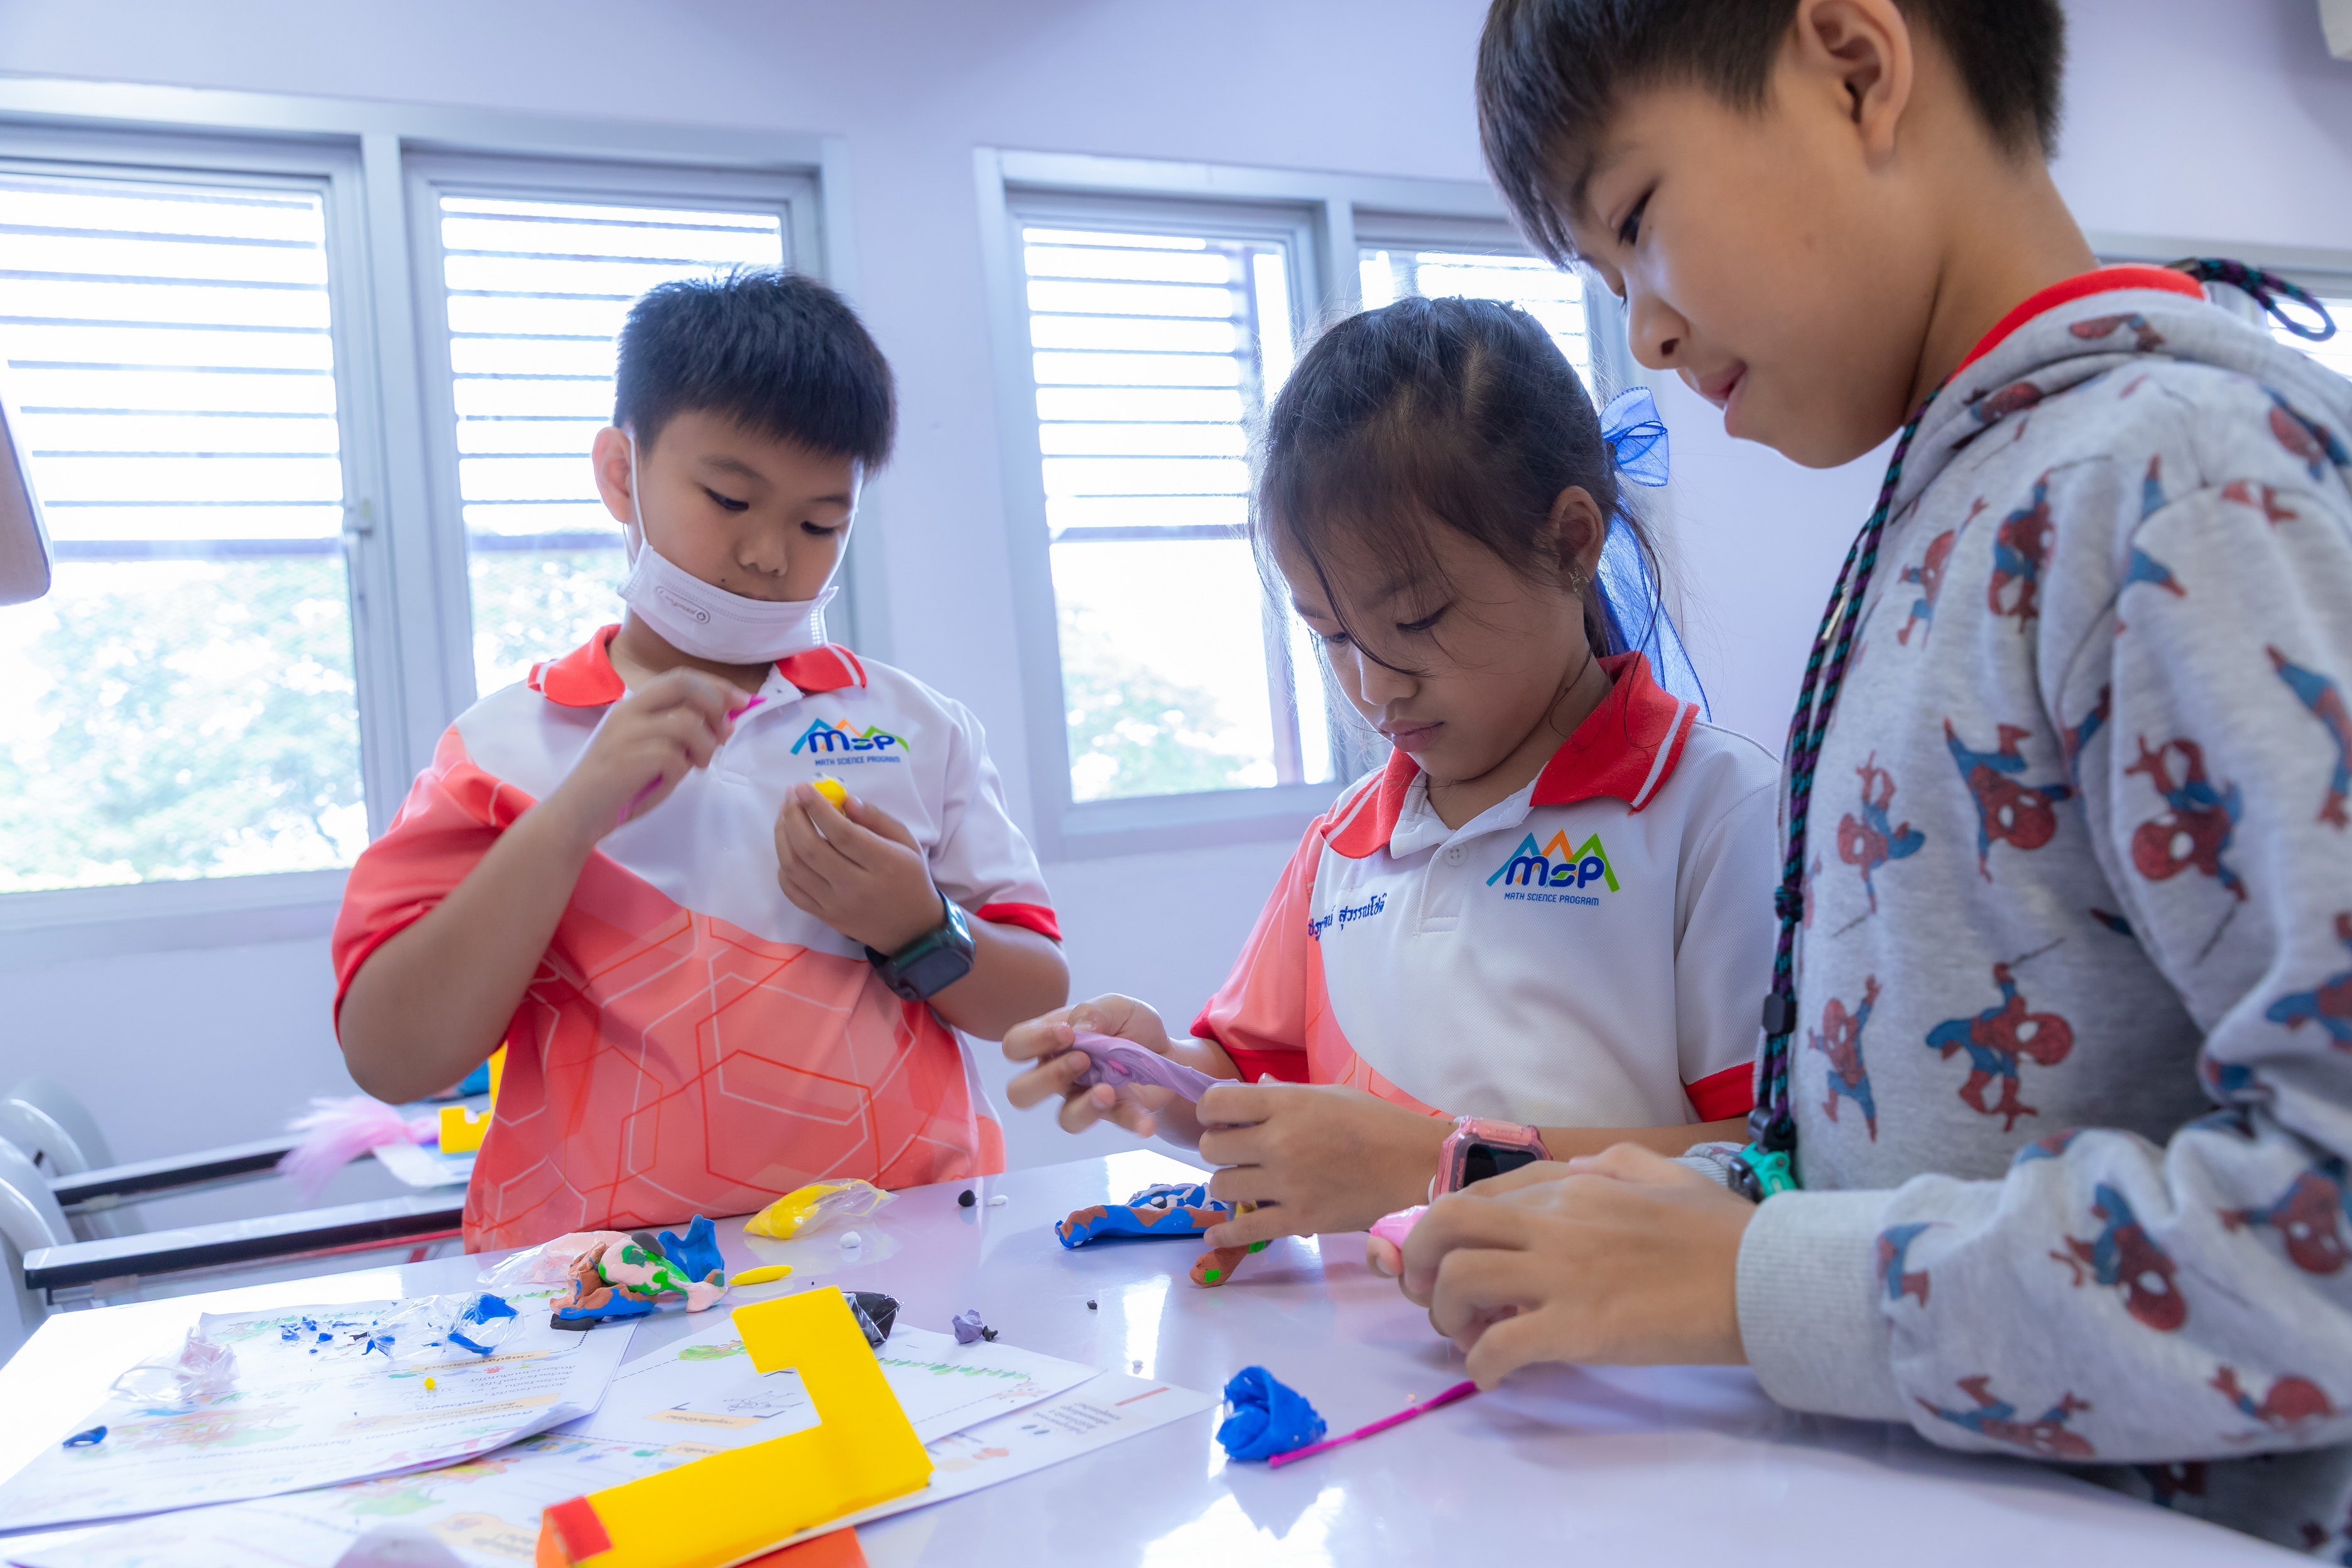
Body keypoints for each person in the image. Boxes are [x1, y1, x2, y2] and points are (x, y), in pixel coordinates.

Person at [1405, 0, 2352, 1547]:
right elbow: (1951, 1132)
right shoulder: (1953, 501)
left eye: (1636, 221)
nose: (1643, 333)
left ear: (1854, 67)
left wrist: (1756, 1281)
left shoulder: (2176, 484)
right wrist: (1722, 1206)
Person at [1004, 295, 1782, 1254]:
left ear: (1571, 543)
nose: (1375, 687)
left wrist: (1437, 1166)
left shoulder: (1714, 816)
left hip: (1612, 1342)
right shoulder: (1344, 846)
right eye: (1332, 636)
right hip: (1361, 1346)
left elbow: (1767, 1165)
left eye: (1416, 621)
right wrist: (1161, 1072)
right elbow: (1255, 1094)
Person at [333, 269, 1068, 1250]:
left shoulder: (914, 727)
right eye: (729, 499)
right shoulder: (503, 749)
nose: (769, 556)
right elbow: (391, 1056)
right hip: (607, 1282)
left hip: (901, 1254)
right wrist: (573, 816)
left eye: (821, 523)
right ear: (619, 473)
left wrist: (920, 926)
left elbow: (1035, 994)